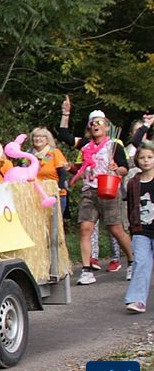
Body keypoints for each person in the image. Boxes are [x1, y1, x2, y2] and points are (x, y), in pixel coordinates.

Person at [65, 107, 133, 285]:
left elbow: (125, 168)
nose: (95, 125)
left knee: (115, 229)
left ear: (106, 126)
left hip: (109, 189)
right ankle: (86, 270)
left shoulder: (114, 145)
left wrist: (117, 169)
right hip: (89, 191)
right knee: (85, 228)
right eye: (92, 123)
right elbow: (65, 136)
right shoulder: (85, 146)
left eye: (99, 122)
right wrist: (66, 114)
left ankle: (133, 261)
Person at [124, 142, 154, 313]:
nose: (146, 161)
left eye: (150, 157)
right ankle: (137, 300)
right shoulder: (133, 183)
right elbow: (131, 207)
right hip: (141, 229)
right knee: (141, 262)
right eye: (142, 158)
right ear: (137, 161)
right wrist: (132, 228)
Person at [29, 127, 69, 213]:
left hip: (54, 194)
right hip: (36, 195)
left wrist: (58, 188)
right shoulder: (29, 155)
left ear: (47, 139)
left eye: (41, 136)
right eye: (35, 136)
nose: (38, 139)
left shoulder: (53, 152)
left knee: (54, 220)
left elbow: (62, 173)